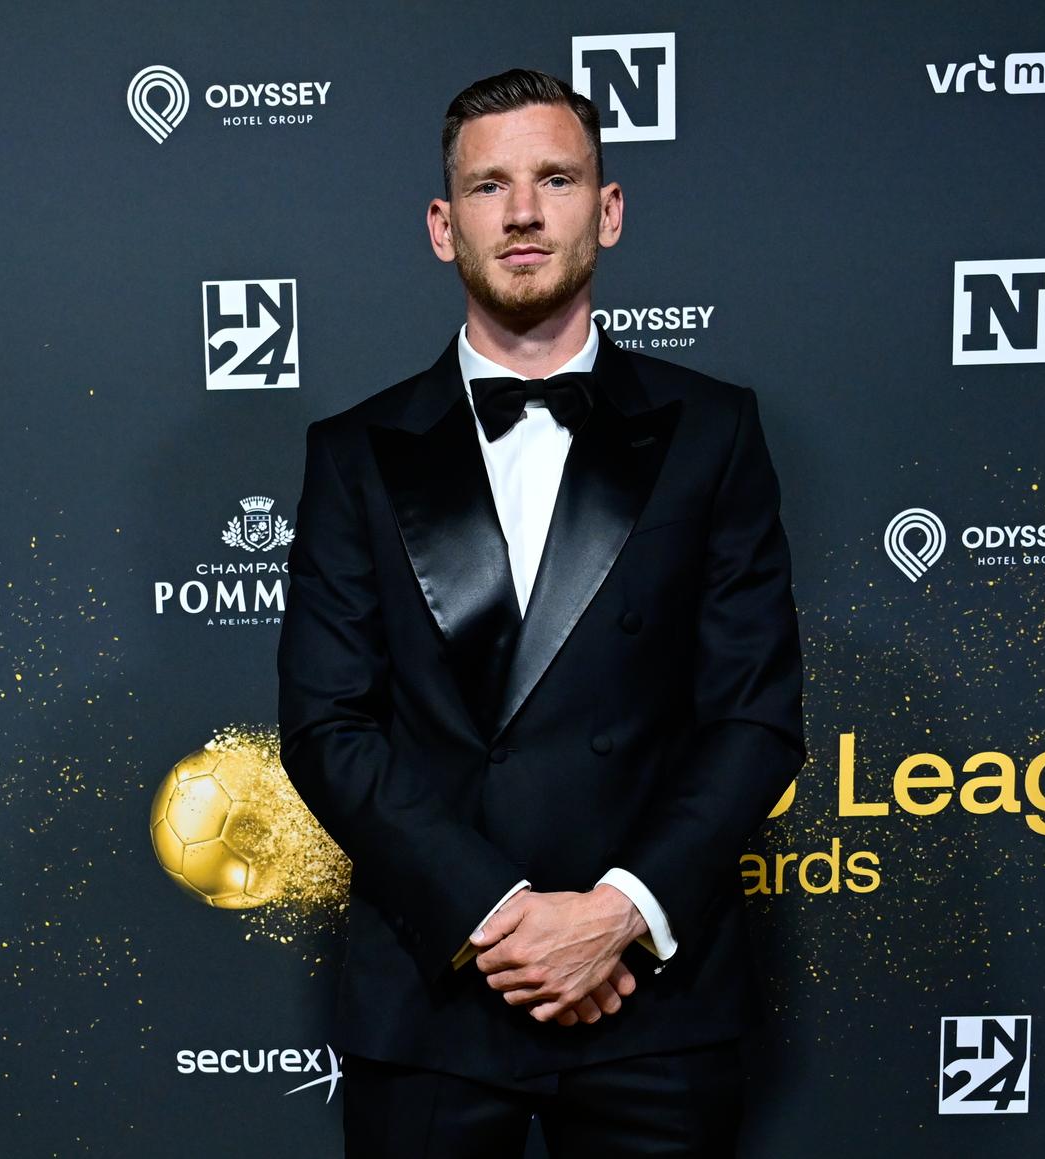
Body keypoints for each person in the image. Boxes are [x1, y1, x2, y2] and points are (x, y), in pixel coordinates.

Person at [277, 67, 804, 1159]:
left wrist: (615, 915)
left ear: (606, 210)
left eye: (556, 178)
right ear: (442, 225)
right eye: (489, 187)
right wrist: (503, 919)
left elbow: (754, 716)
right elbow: (327, 725)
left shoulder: (713, 433)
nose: (522, 213)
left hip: (650, 995)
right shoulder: (355, 453)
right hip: (435, 988)